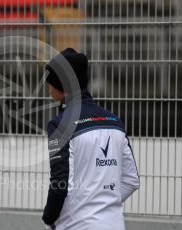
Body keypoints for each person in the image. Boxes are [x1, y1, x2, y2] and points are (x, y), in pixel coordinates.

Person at [42, 48, 139, 230]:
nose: (48, 88)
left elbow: (60, 185)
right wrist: (102, 206)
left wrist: (48, 219)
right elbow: (131, 180)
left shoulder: (60, 124)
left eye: (50, 82)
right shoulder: (115, 121)